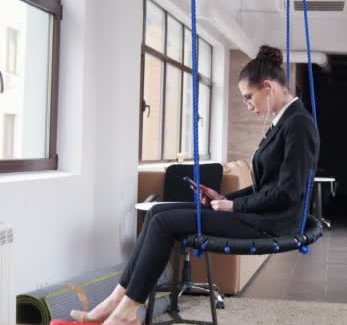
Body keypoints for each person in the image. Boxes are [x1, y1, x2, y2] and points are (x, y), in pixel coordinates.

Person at [70, 45, 320, 324]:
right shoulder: (282, 123)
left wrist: (233, 205)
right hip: (259, 213)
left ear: (267, 87)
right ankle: (116, 300)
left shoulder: (298, 124)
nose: (249, 106)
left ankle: (127, 311)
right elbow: (266, 186)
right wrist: (223, 198)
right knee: (156, 213)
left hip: (271, 223)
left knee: (165, 224)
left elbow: (287, 192)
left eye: (249, 97)